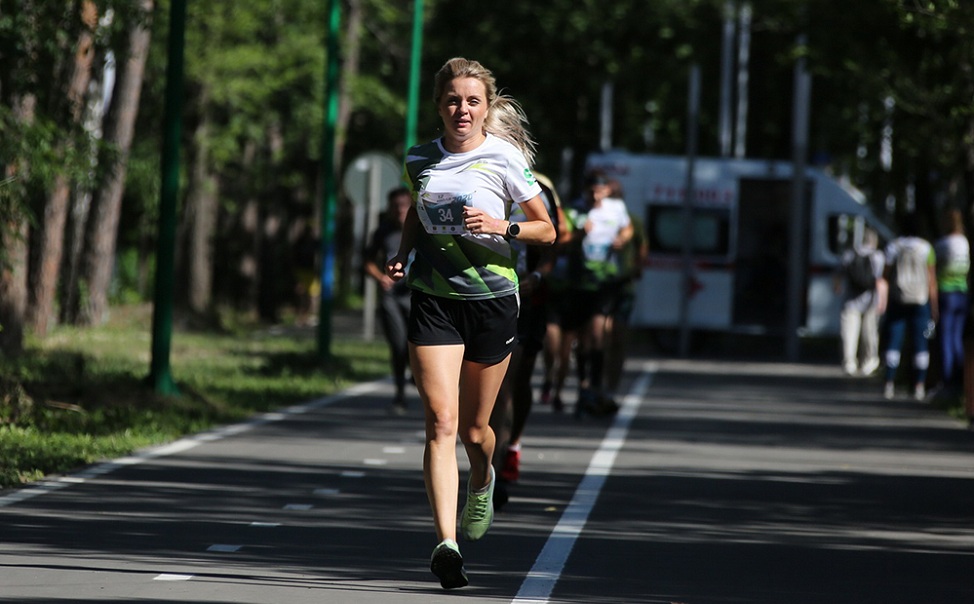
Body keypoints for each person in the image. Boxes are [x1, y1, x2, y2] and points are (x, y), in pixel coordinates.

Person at [385, 57, 556, 590]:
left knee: (476, 430)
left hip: (492, 300)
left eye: (473, 101)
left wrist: (502, 224)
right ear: (439, 105)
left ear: (486, 108)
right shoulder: (418, 158)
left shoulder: (503, 157)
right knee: (440, 421)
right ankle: (446, 543)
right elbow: (417, 209)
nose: (463, 109)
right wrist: (403, 253)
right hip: (434, 299)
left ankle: (482, 477)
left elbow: (547, 230)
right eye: (454, 100)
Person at [489, 172, 566, 506]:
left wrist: (537, 275)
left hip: (527, 298)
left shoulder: (540, 186)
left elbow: (554, 241)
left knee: (516, 383)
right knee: (499, 387)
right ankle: (490, 473)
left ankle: (511, 447)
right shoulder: (473, 176)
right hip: (485, 295)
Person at [556, 170, 633, 418]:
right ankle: (582, 386)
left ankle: (596, 387)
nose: (594, 195)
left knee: (599, 334)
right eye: (591, 190)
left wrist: (622, 238)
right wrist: (579, 234)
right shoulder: (573, 209)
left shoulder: (616, 208)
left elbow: (628, 228)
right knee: (581, 338)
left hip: (604, 280)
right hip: (578, 282)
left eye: (599, 191)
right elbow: (560, 239)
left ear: (606, 190)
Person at [363, 187, 413, 414]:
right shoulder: (383, 231)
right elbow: (367, 261)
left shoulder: (423, 229)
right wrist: (380, 277)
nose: (400, 211)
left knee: (418, 345)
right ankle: (400, 395)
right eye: (395, 207)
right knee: (398, 345)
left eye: (404, 206)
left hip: (417, 294)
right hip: (392, 297)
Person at [883, 219, 938, 400]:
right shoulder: (926, 248)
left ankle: (889, 383)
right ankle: (919, 385)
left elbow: (885, 276)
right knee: (920, 343)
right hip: (920, 300)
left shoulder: (894, 247)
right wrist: (934, 306)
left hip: (897, 299)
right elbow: (931, 280)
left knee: (894, 339)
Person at [834, 228, 885, 376]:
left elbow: (838, 273)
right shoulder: (878, 256)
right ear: (874, 241)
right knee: (870, 333)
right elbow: (881, 280)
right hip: (871, 300)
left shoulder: (849, 254)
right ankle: (869, 361)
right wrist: (883, 301)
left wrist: (837, 287)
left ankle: (849, 362)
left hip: (851, 299)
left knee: (849, 333)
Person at [933, 208, 970, 395]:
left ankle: (948, 381)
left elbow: (933, 269)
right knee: (957, 338)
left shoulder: (942, 244)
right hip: (962, 292)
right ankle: (960, 379)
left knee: (946, 338)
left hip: (946, 292)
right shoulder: (964, 242)